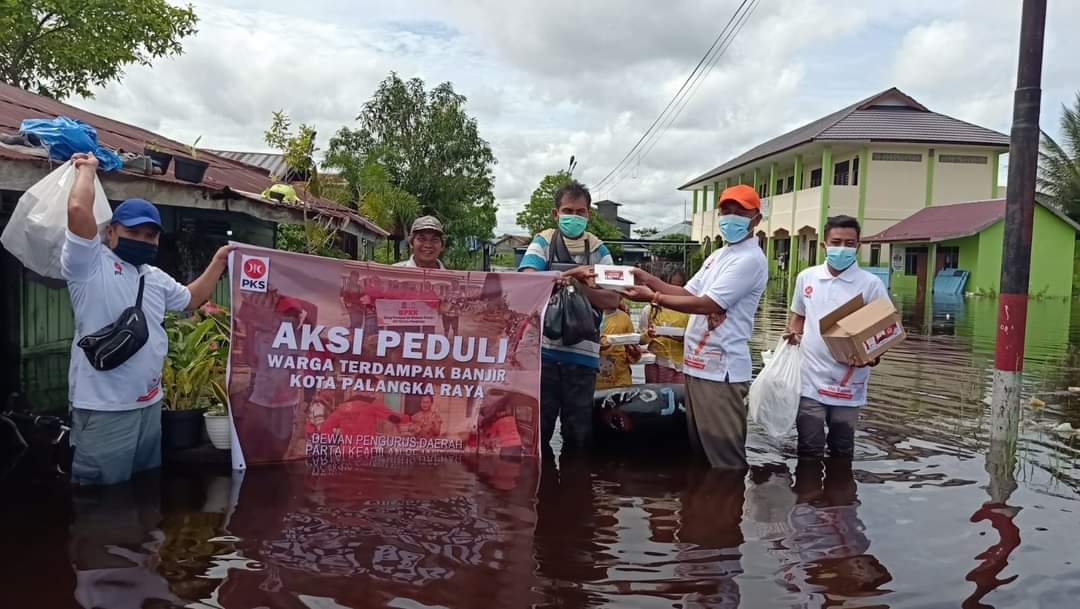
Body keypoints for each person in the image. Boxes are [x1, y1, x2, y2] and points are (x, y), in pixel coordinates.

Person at [61, 152, 230, 486]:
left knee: (143, 493)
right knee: (102, 508)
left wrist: (220, 260)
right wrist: (88, 169)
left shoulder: (153, 276)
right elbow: (79, 210)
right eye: (133, 232)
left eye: (150, 235)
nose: (143, 240)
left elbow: (192, 298)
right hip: (105, 410)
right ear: (110, 232)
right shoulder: (88, 266)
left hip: (149, 406)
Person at [622, 184, 768, 469]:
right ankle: (703, 511)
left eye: (740, 212)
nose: (731, 217)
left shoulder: (749, 260)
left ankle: (726, 510)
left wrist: (652, 297)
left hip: (720, 371)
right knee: (701, 452)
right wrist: (646, 278)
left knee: (725, 459)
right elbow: (688, 294)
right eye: (726, 210)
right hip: (698, 366)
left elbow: (707, 304)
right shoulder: (719, 256)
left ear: (756, 219)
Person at [519, 179, 621, 452]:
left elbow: (613, 299)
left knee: (579, 436)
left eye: (580, 212)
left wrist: (580, 288)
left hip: (584, 357)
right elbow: (527, 281)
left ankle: (575, 492)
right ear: (556, 214)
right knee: (537, 434)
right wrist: (575, 275)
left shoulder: (599, 250)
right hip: (543, 356)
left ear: (588, 214)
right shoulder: (544, 241)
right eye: (567, 211)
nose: (573, 217)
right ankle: (545, 493)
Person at [783, 215, 891, 459]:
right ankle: (807, 496)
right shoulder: (807, 278)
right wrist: (792, 334)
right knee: (809, 447)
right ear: (824, 244)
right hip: (810, 378)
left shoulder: (871, 284)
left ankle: (839, 495)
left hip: (849, 381)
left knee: (842, 448)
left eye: (849, 243)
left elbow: (885, 330)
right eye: (837, 242)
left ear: (858, 246)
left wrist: (871, 358)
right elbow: (798, 315)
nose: (842, 248)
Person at [638, 269, 690, 384]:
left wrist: (684, 338)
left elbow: (696, 340)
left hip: (680, 367)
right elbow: (640, 340)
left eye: (678, 289)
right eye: (669, 288)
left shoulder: (688, 311)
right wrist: (649, 334)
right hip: (655, 364)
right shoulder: (650, 310)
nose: (673, 293)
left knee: (677, 399)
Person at [596, 306, 641, 390]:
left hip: (622, 379)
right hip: (596, 382)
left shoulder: (624, 318)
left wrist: (634, 355)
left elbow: (631, 348)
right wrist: (597, 347)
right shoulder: (588, 316)